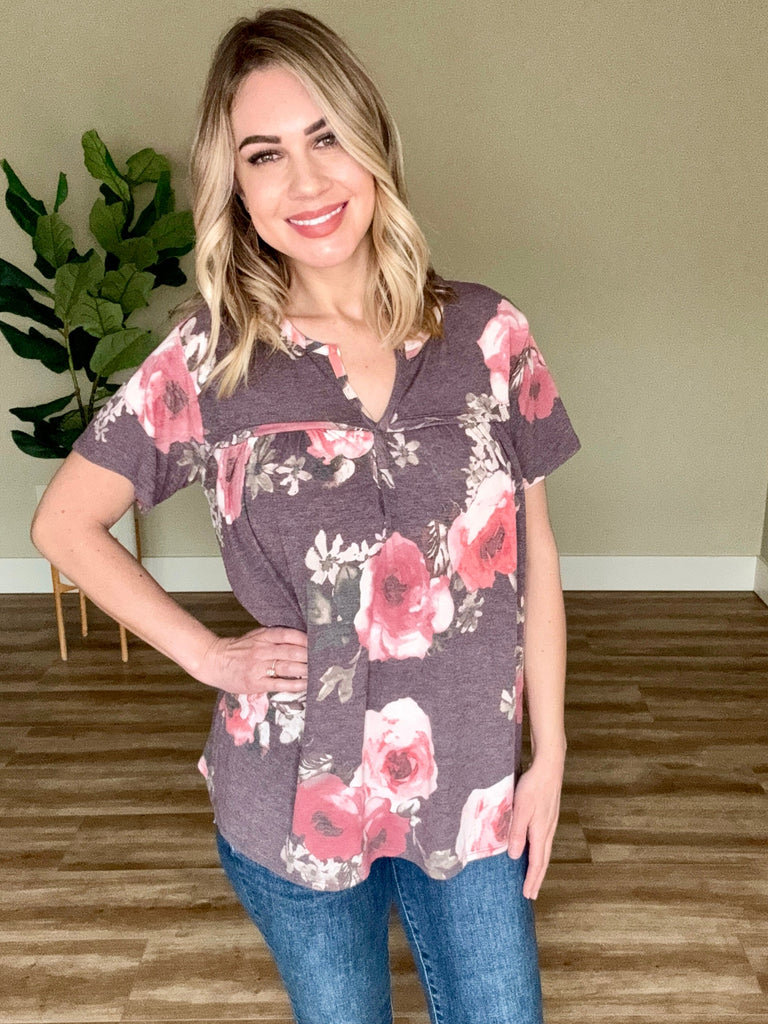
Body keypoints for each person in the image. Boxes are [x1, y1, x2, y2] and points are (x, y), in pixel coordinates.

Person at [31, 8, 580, 1023]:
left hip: (470, 787)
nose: (307, 181)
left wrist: (547, 758)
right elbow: (62, 523)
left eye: (327, 137)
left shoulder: (490, 333)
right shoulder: (213, 355)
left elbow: (536, 559)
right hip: (292, 799)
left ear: (373, 143)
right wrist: (209, 655)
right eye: (265, 154)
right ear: (235, 187)